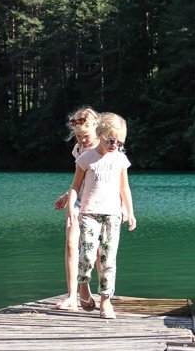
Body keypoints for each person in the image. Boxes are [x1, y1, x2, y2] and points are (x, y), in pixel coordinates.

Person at [67, 112, 137, 319]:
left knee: (108, 260)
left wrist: (129, 211)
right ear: (101, 134)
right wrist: (71, 208)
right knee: (87, 254)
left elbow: (125, 188)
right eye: (112, 140)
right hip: (89, 214)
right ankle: (83, 285)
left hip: (112, 215)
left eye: (121, 142)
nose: (116, 145)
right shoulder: (86, 158)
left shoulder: (120, 159)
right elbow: (75, 187)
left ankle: (106, 301)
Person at [54, 107, 101, 311]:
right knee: (72, 245)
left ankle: (103, 295)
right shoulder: (78, 150)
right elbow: (78, 180)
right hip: (78, 201)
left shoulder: (107, 148)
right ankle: (73, 296)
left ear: (97, 129)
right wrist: (68, 196)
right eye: (79, 136)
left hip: (100, 203)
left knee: (98, 251)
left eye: (86, 136)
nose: (82, 140)